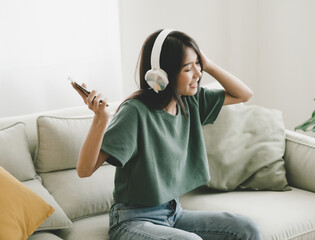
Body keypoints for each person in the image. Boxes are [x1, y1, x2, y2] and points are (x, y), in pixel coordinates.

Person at [72, 29, 263, 240]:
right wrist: (100, 120)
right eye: (188, 69)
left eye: (198, 65)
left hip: (174, 212)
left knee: (247, 228)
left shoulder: (191, 101)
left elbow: (244, 94)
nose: (198, 74)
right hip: (132, 220)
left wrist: (206, 63)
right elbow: (84, 170)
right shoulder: (135, 112)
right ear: (162, 74)